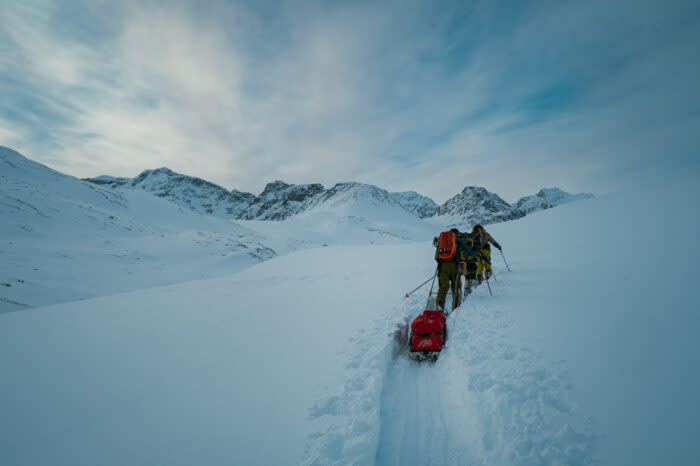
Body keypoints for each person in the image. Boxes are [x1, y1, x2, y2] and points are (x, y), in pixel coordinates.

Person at [434, 228, 479, 311]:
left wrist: (441, 263)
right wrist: (477, 254)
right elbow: (469, 252)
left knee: (443, 287)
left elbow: (436, 257)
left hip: (442, 267)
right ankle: (456, 308)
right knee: (456, 288)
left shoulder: (441, 242)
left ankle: (439, 305)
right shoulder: (458, 241)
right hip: (455, 267)